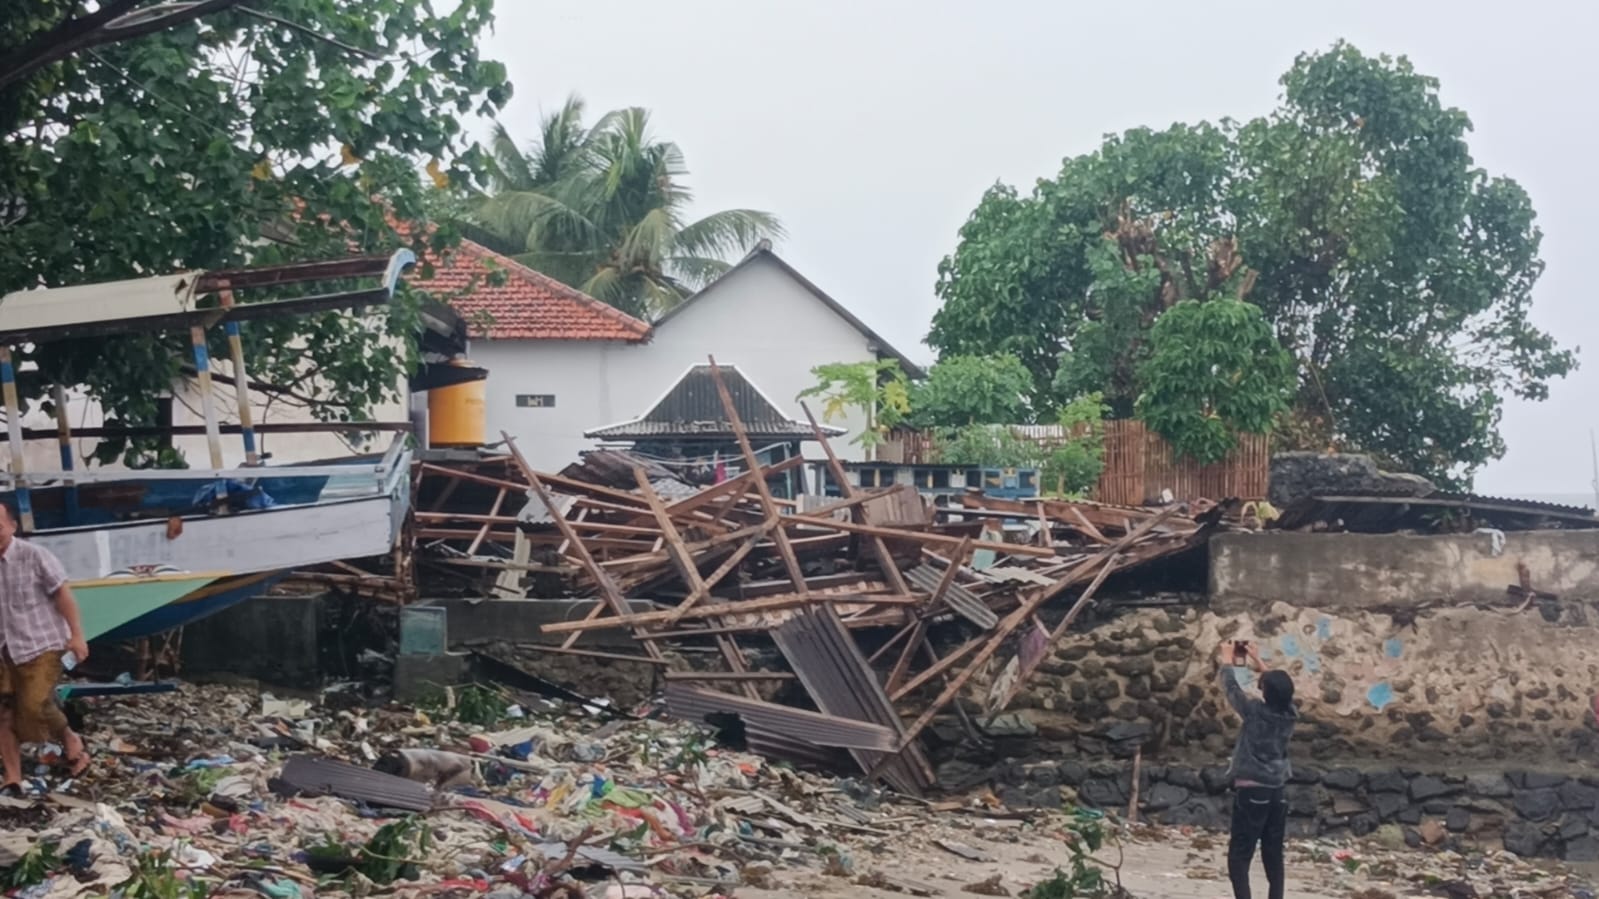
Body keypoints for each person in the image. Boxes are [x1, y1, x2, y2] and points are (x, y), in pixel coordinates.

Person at [0, 502, 90, 794]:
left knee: (34, 704)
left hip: (43, 644)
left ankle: (67, 736)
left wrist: (77, 636)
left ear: (12, 526)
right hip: (4, 648)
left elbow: (62, 593)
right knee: (4, 713)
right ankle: (13, 777)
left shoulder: (34, 556)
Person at [1218, 639, 1297, 899]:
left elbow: (1231, 690)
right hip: (1278, 792)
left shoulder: (1254, 712)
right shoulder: (1290, 715)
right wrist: (1257, 660)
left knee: (1239, 856)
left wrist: (1228, 660)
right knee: (1273, 854)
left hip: (1252, 790)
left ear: (1264, 692)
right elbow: (1280, 693)